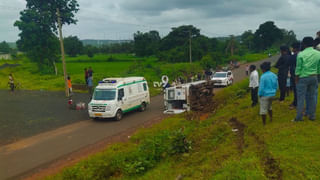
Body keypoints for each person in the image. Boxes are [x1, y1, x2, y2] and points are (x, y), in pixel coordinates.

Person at [293, 37, 320, 122]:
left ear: (304, 44)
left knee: (301, 97)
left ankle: (299, 117)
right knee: (313, 97)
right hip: (314, 76)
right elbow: (319, 66)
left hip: (303, 78)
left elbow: (298, 68)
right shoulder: (318, 53)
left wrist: (296, 78)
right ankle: (312, 116)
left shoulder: (301, 54)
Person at [288, 42, 301, 108]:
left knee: (296, 90)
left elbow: (289, 63)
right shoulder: (302, 54)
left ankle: (296, 103)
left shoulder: (293, 56)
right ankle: (295, 102)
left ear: (295, 48)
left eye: (292, 47)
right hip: (302, 75)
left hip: (295, 75)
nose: (291, 49)